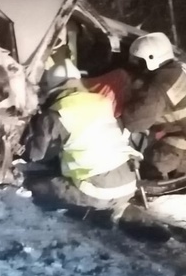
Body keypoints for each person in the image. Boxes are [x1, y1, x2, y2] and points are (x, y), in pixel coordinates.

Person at [22, 65, 138, 213]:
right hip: (128, 184)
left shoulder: (57, 112)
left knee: (35, 186)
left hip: (99, 192)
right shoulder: (102, 101)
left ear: (52, 88)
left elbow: (37, 155)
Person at [121, 32, 186, 182]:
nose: (134, 64)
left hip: (182, 143)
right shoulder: (174, 71)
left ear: (151, 60)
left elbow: (135, 122)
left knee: (148, 173)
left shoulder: (157, 88)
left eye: (138, 61)